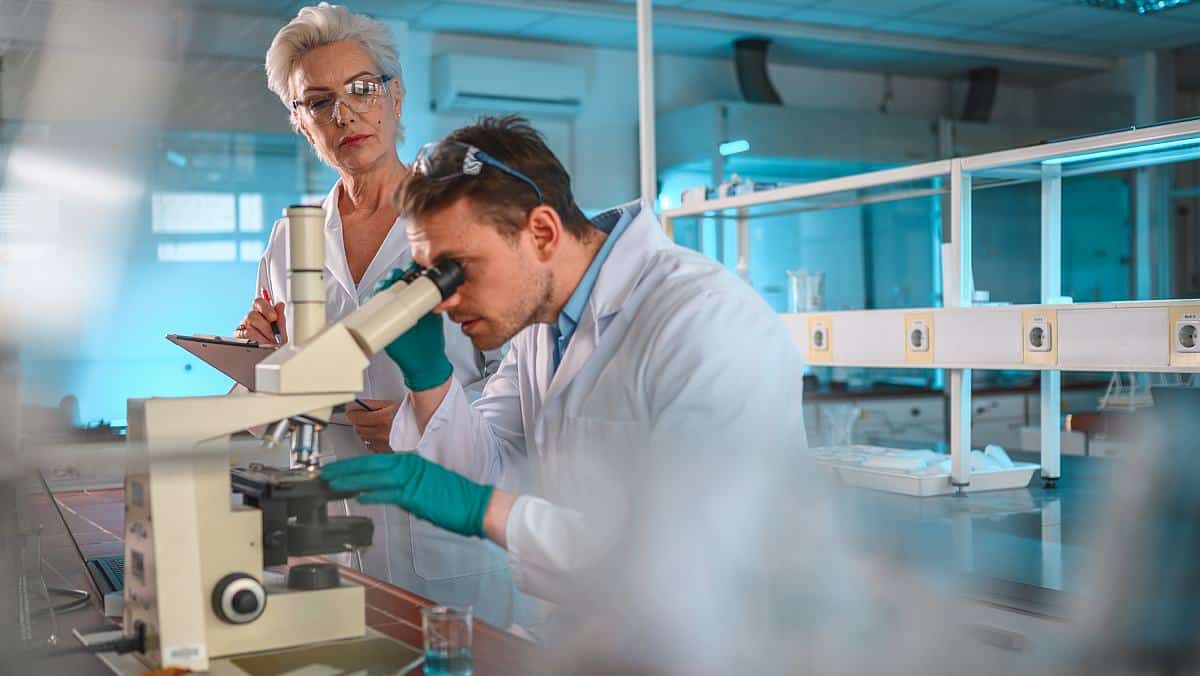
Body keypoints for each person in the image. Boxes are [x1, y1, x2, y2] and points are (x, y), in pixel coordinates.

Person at [322, 115, 808, 606]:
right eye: (431, 276)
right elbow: (489, 469)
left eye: (457, 269)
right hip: (607, 635)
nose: (444, 301)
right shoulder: (543, 327)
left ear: (542, 233)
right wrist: (429, 377)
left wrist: (485, 510)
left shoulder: (704, 321)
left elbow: (693, 556)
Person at [236, 3, 530, 629]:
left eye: (361, 89)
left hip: (446, 522)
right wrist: (259, 354)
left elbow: (525, 386)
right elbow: (269, 399)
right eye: (317, 102)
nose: (344, 114)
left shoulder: (466, 218)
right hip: (331, 517)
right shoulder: (292, 239)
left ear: (395, 97)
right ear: (300, 124)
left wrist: (420, 417)